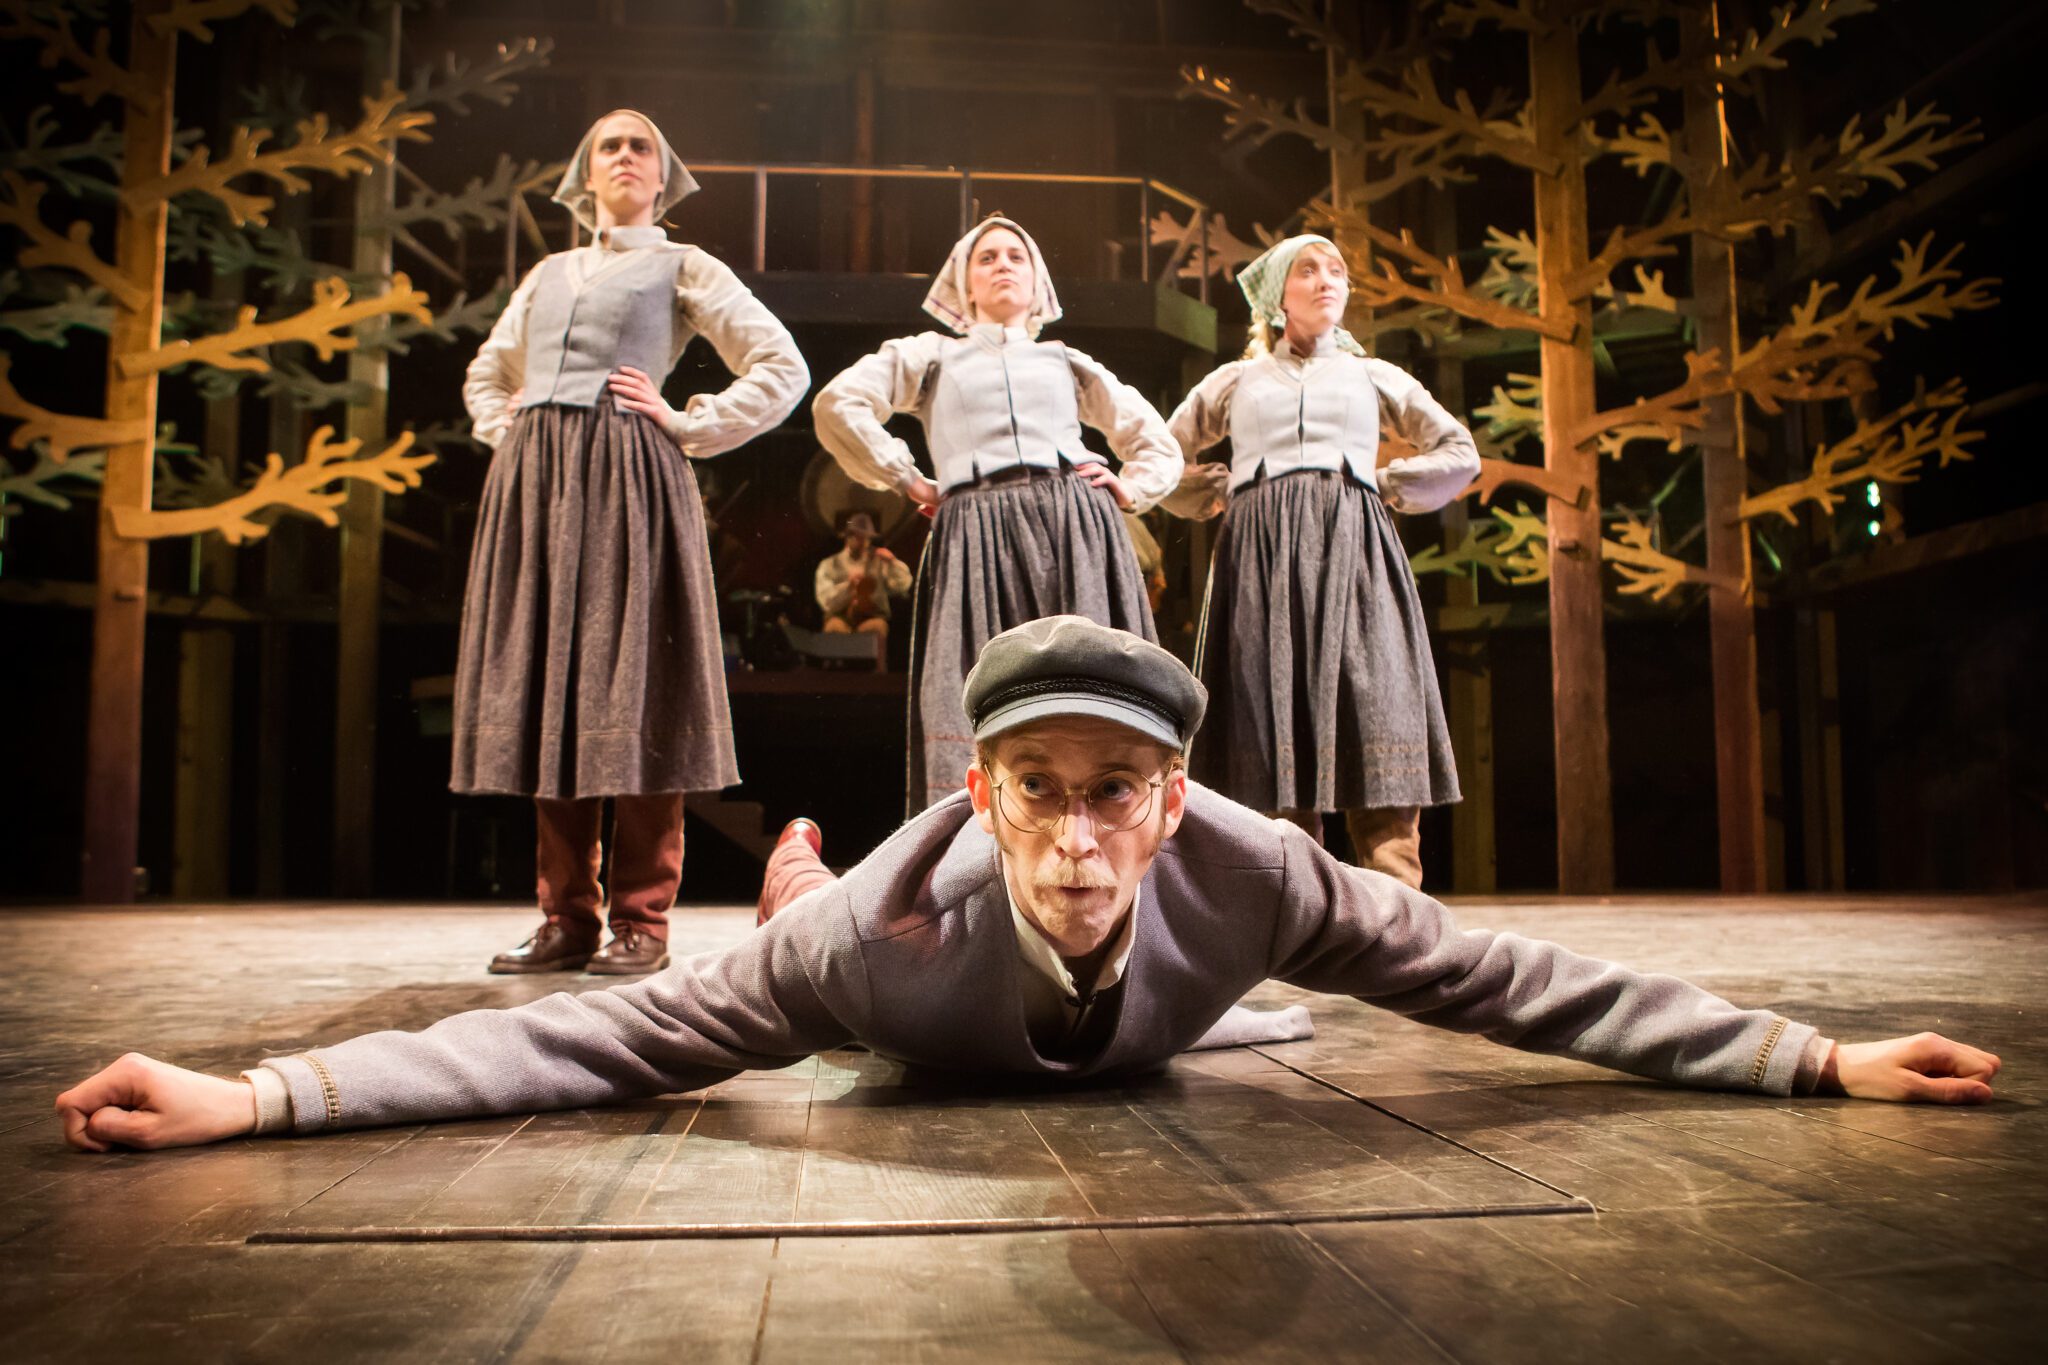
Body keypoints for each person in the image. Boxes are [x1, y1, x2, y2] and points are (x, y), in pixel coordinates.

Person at [56, 617, 2001, 1152]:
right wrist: (261, 1095)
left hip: (1164, 1000)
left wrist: (1810, 1059)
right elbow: (589, 1043)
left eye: (1115, 797)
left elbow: (1509, 977)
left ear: (1176, 799)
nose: (1078, 837)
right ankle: (796, 846)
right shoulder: (871, 934)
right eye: (1038, 795)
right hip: (864, 968)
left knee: (1267, 994)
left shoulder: (1261, 870)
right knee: (784, 913)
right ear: (979, 793)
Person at [452, 109, 809, 976]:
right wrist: (512, 431)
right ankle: (566, 916)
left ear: (662, 176)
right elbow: (487, 371)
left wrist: (689, 421)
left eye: (638, 146)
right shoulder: (548, 274)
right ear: (586, 175)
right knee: (552, 691)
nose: (622, 156)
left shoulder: (683, 265)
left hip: (630, 482)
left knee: (640, 688)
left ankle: (642, 919)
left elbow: (782, 366)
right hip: (540, 490)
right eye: (607, 146)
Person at [812, 215, 1182, 811]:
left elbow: (1156, 442)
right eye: (987, 258)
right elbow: (839, 403)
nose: (1003, 265)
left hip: (1073, 528)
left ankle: (1111, 820)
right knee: (980, 685)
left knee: (1090, 680)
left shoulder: (1065, 360)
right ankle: (978, 843)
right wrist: (908, 478)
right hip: (976, 534)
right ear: (965, 284)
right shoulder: (932, 356)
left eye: (1016, 256)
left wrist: (1130, 488)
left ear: (1038, 282)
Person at [1167, 234, 1479, 889]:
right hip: (1261, 558)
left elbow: (1459, 452)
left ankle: (1394, 908)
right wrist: (1221, 489)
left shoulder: (1372, 376)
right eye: (1308, 270)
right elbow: (1162, 455)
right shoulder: (1238, 380)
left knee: (1376, 696)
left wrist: (1387, 483)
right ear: (1277, 295)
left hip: (1353, 547)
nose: (1326, 280)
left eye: (1335, 270)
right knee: (1269, 711)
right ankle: (1291, 904)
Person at [814, 510, 912, 646]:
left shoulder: (879, 562)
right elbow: (825, 600)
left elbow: (901, 586)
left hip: (872, 616)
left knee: (875, 630)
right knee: (834, 630)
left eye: (865, 537)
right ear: (848, 537)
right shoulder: (830, 564)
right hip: (840, 616)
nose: (862, 541)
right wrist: (848, 586)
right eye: (856, 536)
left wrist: (892, 562)